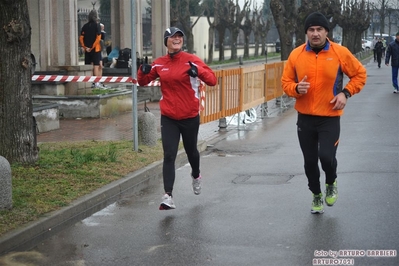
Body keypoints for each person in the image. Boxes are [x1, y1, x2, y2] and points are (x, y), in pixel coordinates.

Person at [281, 12, 367, 214]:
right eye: (311, 30)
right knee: (310, 162)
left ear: (327, 31)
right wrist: (295, 89)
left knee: (326, 157)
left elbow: (359, 74)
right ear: (306, 33)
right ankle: (316, 195)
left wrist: (345, 93)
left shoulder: (339, 52)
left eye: (319, 29)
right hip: (306, 118)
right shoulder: (296, 54)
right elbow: (285, 83)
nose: (315, 34)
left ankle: (331, 181)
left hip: (330, 117)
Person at [137, 27, 217, 210]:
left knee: (192, 152)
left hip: (189, 116)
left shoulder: (192, 60)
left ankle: (196, 175)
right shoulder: (160, 63)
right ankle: (168, 195)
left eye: (179, 36)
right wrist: (143, 70)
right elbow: (143, 81)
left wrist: (198, 73)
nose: (177, 39)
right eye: (173, 36)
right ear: (166, 41)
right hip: (169, 117)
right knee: (169, 154)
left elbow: (213, 80)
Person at [79, 10, 105, 89]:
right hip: (95, 49)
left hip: (87, 50)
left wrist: (85, 47)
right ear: (96, 17)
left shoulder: (85, 26)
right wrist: (92, 47)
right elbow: (98, 38)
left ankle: (90, 83)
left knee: (89, 66)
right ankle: (96, 82)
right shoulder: (97, 25)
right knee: (96, 66)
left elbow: (81, 38)